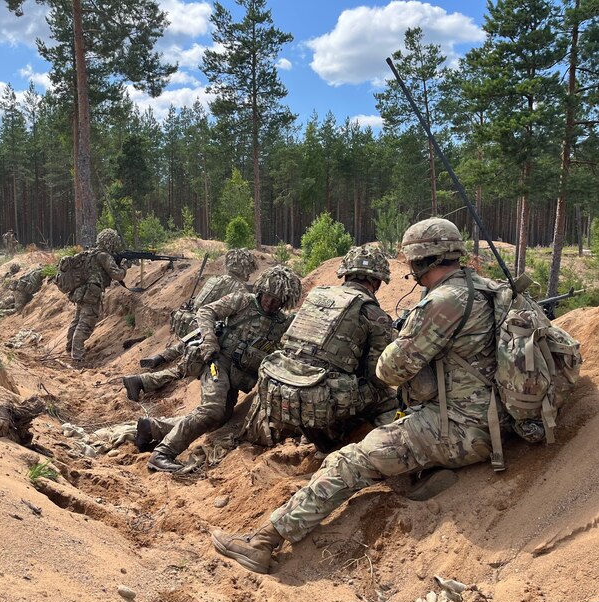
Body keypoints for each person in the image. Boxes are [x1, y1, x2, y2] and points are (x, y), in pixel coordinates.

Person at [210, 217, 502, 574]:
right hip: (491, 419)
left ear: (422, 259)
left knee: (349, 460)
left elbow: (390, 371)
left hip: (457, 429)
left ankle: (263, 542)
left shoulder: (442, 302)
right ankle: (419, 474)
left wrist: (410, 334)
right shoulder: (488, 288)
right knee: (389, 417)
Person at [147, 265, 302, 473]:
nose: (270, 302)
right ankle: (162, 454)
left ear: (285, 302)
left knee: (219, 419)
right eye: (267, 296)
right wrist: (209, 340)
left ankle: (150, 428)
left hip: (238, 379)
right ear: (261, 290)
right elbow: (206, 311)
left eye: (276, 300)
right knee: (213, 409)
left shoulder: (282, 323)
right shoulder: (243, 301)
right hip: (216, 365)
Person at [244, 244, 397, 452]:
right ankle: (379, 452)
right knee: (389, 398)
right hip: (320, 399)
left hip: (283, 390)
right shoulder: (374, 314)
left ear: (345, 275)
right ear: (377, 282)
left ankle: (319, 440)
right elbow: (377, 376)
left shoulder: (317, 296)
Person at [122, 248, 258, 401]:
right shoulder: (238, 290)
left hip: (192, 323)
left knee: (188, 343)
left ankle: (161, 357)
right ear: (244, 268)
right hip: (204, 330)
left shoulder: (214, 279)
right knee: (185, 368)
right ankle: (141, 381)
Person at [66, 228, 126, 362]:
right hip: (91, 296)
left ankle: (69, 348)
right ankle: (77, 358)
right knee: (85, 325)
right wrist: (124, 267)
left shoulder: (90, 253)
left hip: (82, 293)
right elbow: (117, 275)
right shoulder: (103, 256)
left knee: (76, 321)